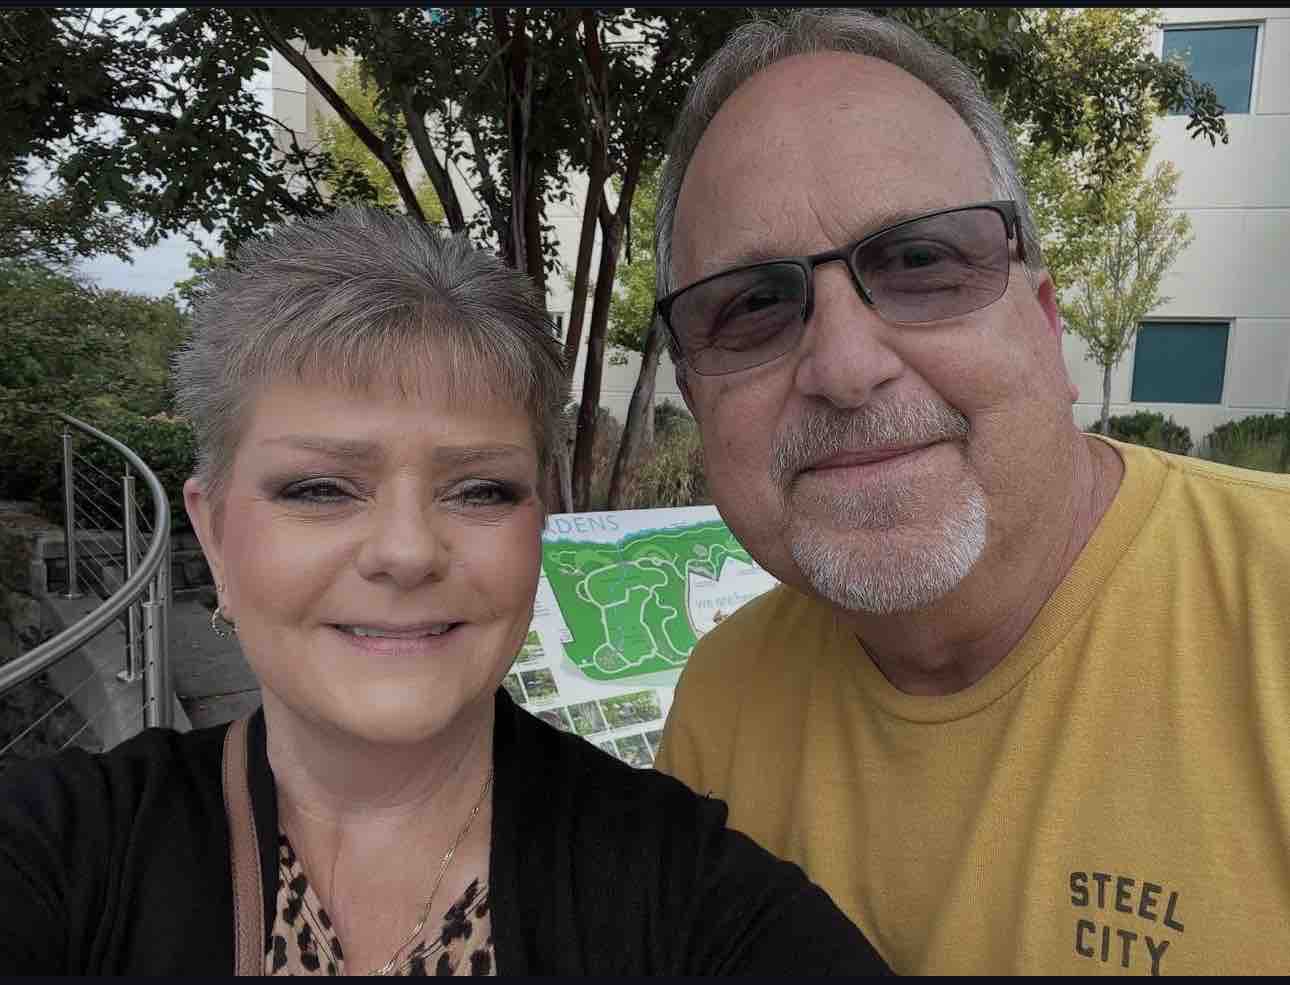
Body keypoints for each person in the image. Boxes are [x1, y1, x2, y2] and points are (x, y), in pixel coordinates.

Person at [0, 208, 889, 975]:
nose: (406, 551)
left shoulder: (687, 893)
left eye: (480, 490)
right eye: (320, 488)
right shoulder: (64, 849)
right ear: (215, 535)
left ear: (537, 528)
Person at [651, 8, 1290, 977]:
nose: (846, 366)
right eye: (752, 305)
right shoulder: (724, 700)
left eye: (920, 262)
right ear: (696, 397)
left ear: (1046, 323)